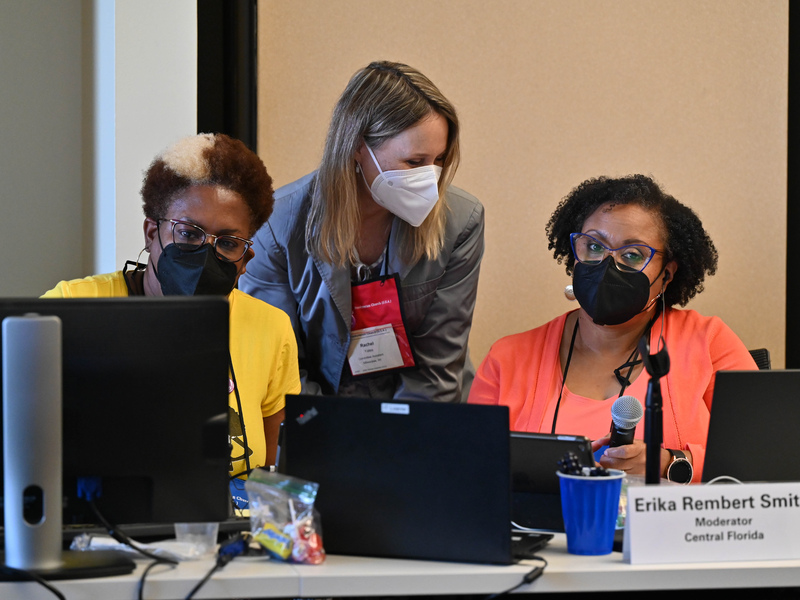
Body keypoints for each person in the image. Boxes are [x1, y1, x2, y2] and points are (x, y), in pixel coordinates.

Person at [43, 133, 301, 482]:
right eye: (189, 233)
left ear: (245, 259)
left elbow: (268, 479)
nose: (206, 253)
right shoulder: (70, 309)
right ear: (152, 233)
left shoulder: (270, 327)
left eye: (227, 243)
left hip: (222, 529)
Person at [468, 175, 756, 483]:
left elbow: (765, 456)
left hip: (669, 530)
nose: (607, 264)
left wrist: (670, 463)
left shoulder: (708, 342)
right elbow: (471, 469)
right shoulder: (508, 358)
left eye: (632, 255)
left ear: (667, 274)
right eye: (593, 246)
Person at [239, 61, 484, 403]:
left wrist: (399, 443)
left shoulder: (460, 220)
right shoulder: (276, 224)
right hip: (316, 417)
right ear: (357, 146)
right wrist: (333, 436)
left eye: (439, 160)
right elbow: (281, 366)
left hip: (424, 413)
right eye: (414, 162)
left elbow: (437, 367)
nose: (430, 179)